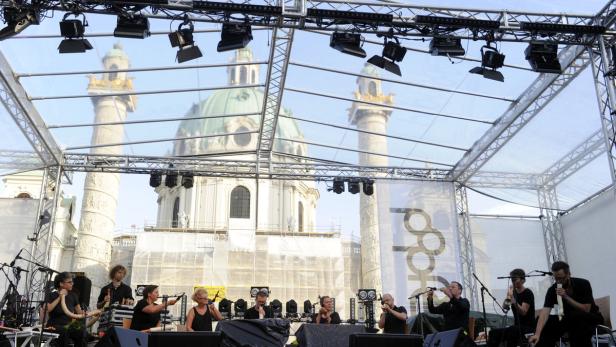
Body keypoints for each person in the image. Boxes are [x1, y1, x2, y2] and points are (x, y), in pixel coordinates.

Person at [529, 261, 603, 347]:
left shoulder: (583, 284)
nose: (558, 281)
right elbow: (545, 312)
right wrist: (537, 334)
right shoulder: (552, 289)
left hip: (590, 317)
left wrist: (566, 297)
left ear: (568, 274)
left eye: (561, 278)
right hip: (568, 318)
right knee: (542, 321)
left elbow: (586, 309)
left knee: (576, 318)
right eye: (556, 278)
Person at [488, 269, 535, 347]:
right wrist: (508, 297)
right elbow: (505, 308)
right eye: (512, 279)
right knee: (493, 333)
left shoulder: (527, 293)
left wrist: (513, 300)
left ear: (522, 280)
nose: (513, 281)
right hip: (516, 327)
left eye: (515, 279)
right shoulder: (513, 293)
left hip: (528, 327)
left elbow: (523, 312)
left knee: (512, 330)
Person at [44, 272, 88, 347]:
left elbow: (79, 312)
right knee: (64, 331)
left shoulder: (74, 295)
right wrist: (60, 297)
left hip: (68, 325)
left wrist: (84, 312)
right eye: (69, 282)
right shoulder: (52, 295)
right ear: (61, 283)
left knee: (82, 330)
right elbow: (48, 309)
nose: (72, 284)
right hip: (54, 325)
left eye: (72, 282)